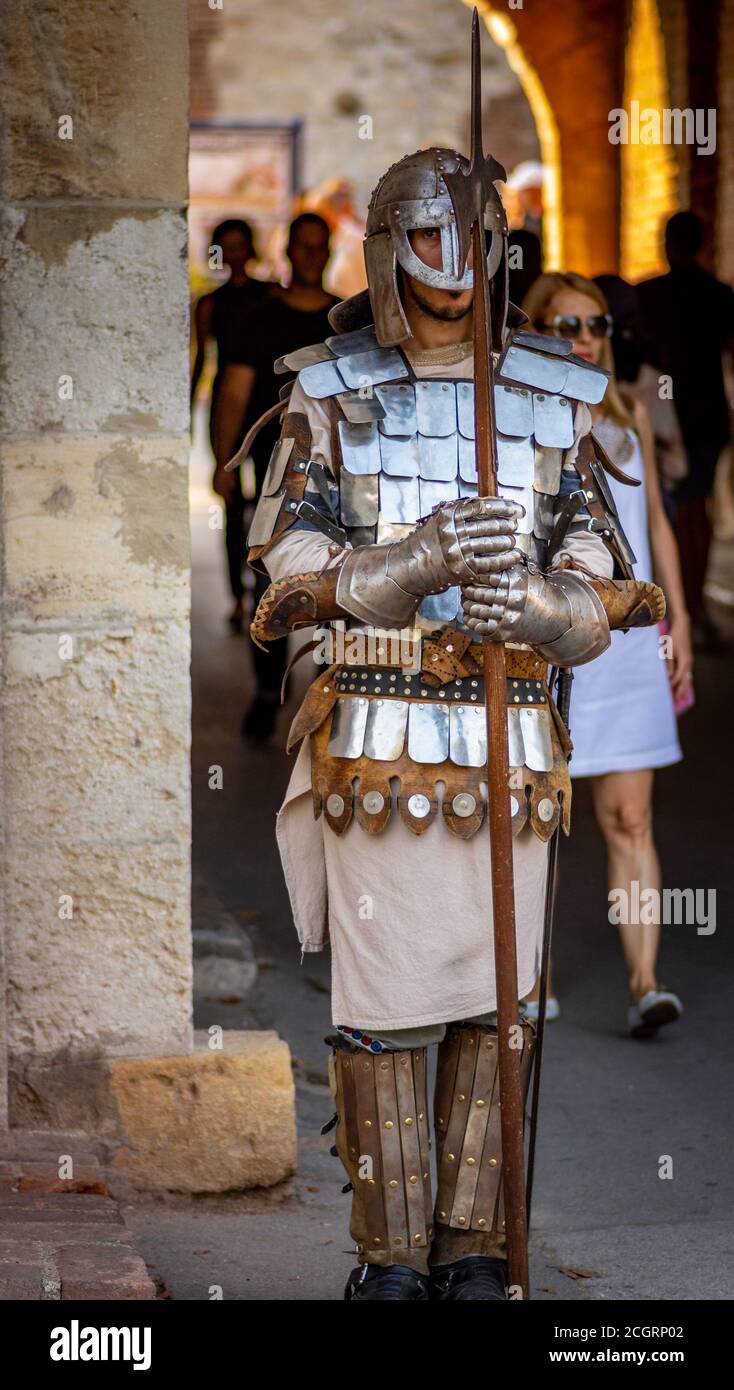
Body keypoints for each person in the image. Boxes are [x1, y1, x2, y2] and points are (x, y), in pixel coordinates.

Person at [242, 143, 663, 1300]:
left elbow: (612, 573)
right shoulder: (329, 391)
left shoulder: (550, 395)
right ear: (385, 249)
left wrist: (541, 600)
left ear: (497, 247)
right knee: (386, 1005)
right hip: (376, 735)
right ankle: (388, 1257)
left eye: (467, 235)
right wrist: (410, 560)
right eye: (422, 237)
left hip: (512, 733)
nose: (447, 260)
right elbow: (279, 580)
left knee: (498, 1000)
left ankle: (474, 1247)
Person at [523, 272, 692, 1037]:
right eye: (564, 326)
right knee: (538, 817)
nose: (584, 338)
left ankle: (646, 984)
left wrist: (678, 623)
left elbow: (655, 528)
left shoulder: (626, 420)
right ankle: (532, 978)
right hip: (549, 640)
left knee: (631, 817)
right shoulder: (515, 427)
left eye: (594, 324)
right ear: (535, 335)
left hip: (628, 647)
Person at [213, 214, 340, 739]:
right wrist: (224, 462)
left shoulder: (348, 322)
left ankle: (330, 691)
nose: (310, 256)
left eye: (319, 247)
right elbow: (234, 392)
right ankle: (268, 692)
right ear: (288, 251)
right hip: (273, 479)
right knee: (272, 585)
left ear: (329, 252)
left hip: (341, 484)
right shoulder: (258, 318)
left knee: (337, 587)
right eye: (302, 247)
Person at [638, 211, 734, 642]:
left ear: (667, 245)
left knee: (670, 512)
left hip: (664, 414)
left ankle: (682, 611)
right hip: (706, 415)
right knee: (698, 510)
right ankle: (691, 608)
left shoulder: (651, 295)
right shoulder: (719, 295)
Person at [190, 219, 274, 631]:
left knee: (263, 503)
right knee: (229, 501)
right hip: (227, 407)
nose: (234, 253)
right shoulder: (210, 304)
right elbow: (202, 362)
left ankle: (261, 589)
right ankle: (237, 596)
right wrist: (189, 413)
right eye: (226, 247)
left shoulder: (270, 296)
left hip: (263, 408)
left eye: (240, 245)